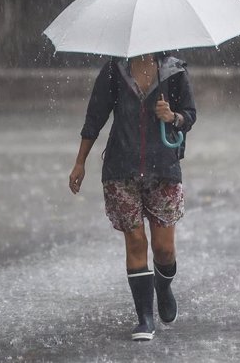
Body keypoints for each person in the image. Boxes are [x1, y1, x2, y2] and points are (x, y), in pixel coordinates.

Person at [68, 52, 196, 341]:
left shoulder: (174, 71)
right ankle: (145, 318)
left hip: (163, 167)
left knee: (164, 249)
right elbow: (95, 116)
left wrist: (173, 116)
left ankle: (162, 289)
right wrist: (80, 162)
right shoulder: (115, 70)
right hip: (121, 168)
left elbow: (190, 114)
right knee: (136, 241)